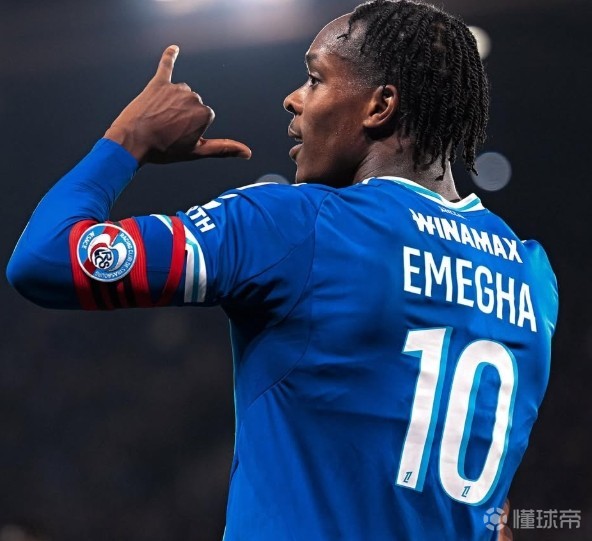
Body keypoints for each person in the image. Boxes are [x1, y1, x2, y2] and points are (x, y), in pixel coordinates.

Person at [6, 0, 554, 539]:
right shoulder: (531, 276)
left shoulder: (297, 224)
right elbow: (493, 515)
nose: (293, 99)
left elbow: (45, 258)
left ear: (379, 105)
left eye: (315, 79)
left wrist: (129, 140)